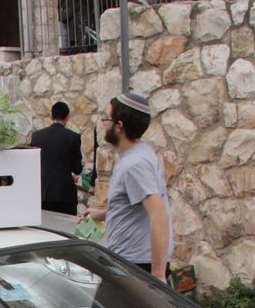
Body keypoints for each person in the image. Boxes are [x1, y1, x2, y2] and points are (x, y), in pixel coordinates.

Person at [84, 93, 173, 282]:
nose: (103, 124)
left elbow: (159, 215)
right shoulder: (141, 153)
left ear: (119, 125)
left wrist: (158, 275)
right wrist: (102, 214)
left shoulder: (135, 164)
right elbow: (134, 202)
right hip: (131, 263)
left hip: (136, 267)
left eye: (107, 119)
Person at [30, 101, 84, 216]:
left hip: (43, 191)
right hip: (65, 193)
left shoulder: (36, 136)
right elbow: (77, 169)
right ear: (67, 117)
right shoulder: (73, 137)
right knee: (66, 225)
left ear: (51, 116)